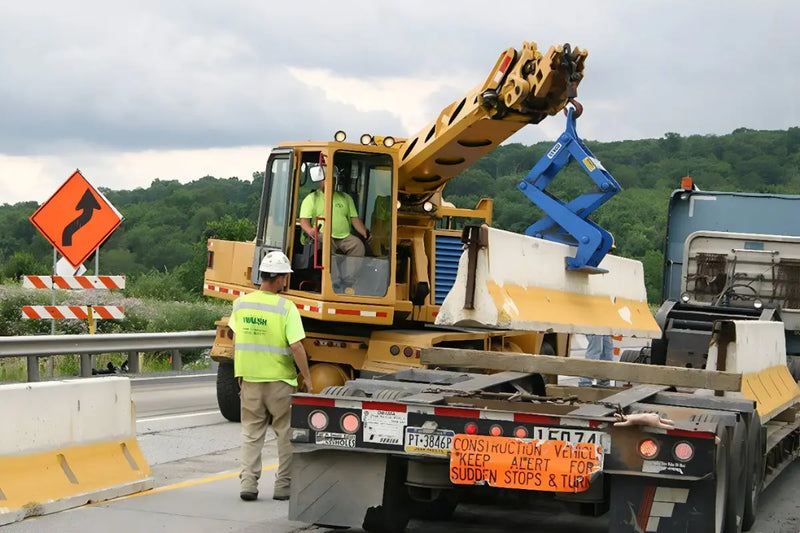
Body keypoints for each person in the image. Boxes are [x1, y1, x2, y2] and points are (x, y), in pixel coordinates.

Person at [229, 251, 313, 502]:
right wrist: (307, 378)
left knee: (251, 433)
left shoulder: (241, 304)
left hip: (251, 380)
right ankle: (283, 486)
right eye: (285, 277)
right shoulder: (286, 307)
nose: (286, 281)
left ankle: (248, 484)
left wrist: (241, 372)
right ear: (277, 278)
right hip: (280, 381)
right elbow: (296, 346)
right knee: (285, 433)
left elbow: (236, 339)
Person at [299, 165, 369, 257]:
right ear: (320, 181)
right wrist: (311, 231)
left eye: (332, 179)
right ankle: (332, 271)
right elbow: (304, 221)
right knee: (326, 244)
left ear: (335, 180)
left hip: (344, 237)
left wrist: (365, 233)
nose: (328, 182)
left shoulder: (346, 198)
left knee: (357, 245)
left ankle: (349, 271)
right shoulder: (312, 199)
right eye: (325, 179)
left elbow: (355, 219)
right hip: (322, 235)